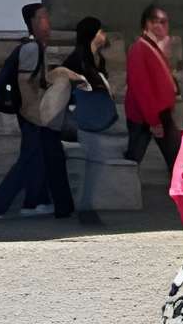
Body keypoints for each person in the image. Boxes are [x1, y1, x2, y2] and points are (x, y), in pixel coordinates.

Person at [0, 5, 72, 223]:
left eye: (47, 17)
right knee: (29, 160)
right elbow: (25, 85)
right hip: (33, 114)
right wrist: (36, 115)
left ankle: (35, 202)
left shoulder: (38, 47)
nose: (47, 22)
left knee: (39, 158)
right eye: (42, 18)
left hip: (36, 114)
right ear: (32, 22)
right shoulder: (32, 49)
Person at [60, 20, 115, 228]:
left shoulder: (96, 59)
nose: (104, 35)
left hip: (95, 120)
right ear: (92, 35)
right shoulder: (78, 60)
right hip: (84, 121)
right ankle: (86, 209)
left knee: (93, 165)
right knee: (91, 165)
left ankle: (87, 207)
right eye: (101, 31)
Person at [124, 5, 181, 191]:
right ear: (149, 24)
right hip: (149, 114)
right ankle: (123, 189)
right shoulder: (139, 48)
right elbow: (141, 87)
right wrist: (153, 120)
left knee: (172, 154)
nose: (164, 27)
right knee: (136, 155)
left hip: (157, 112)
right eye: (160, 22)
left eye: (166, 22)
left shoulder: (150, 47)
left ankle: (179, 189)